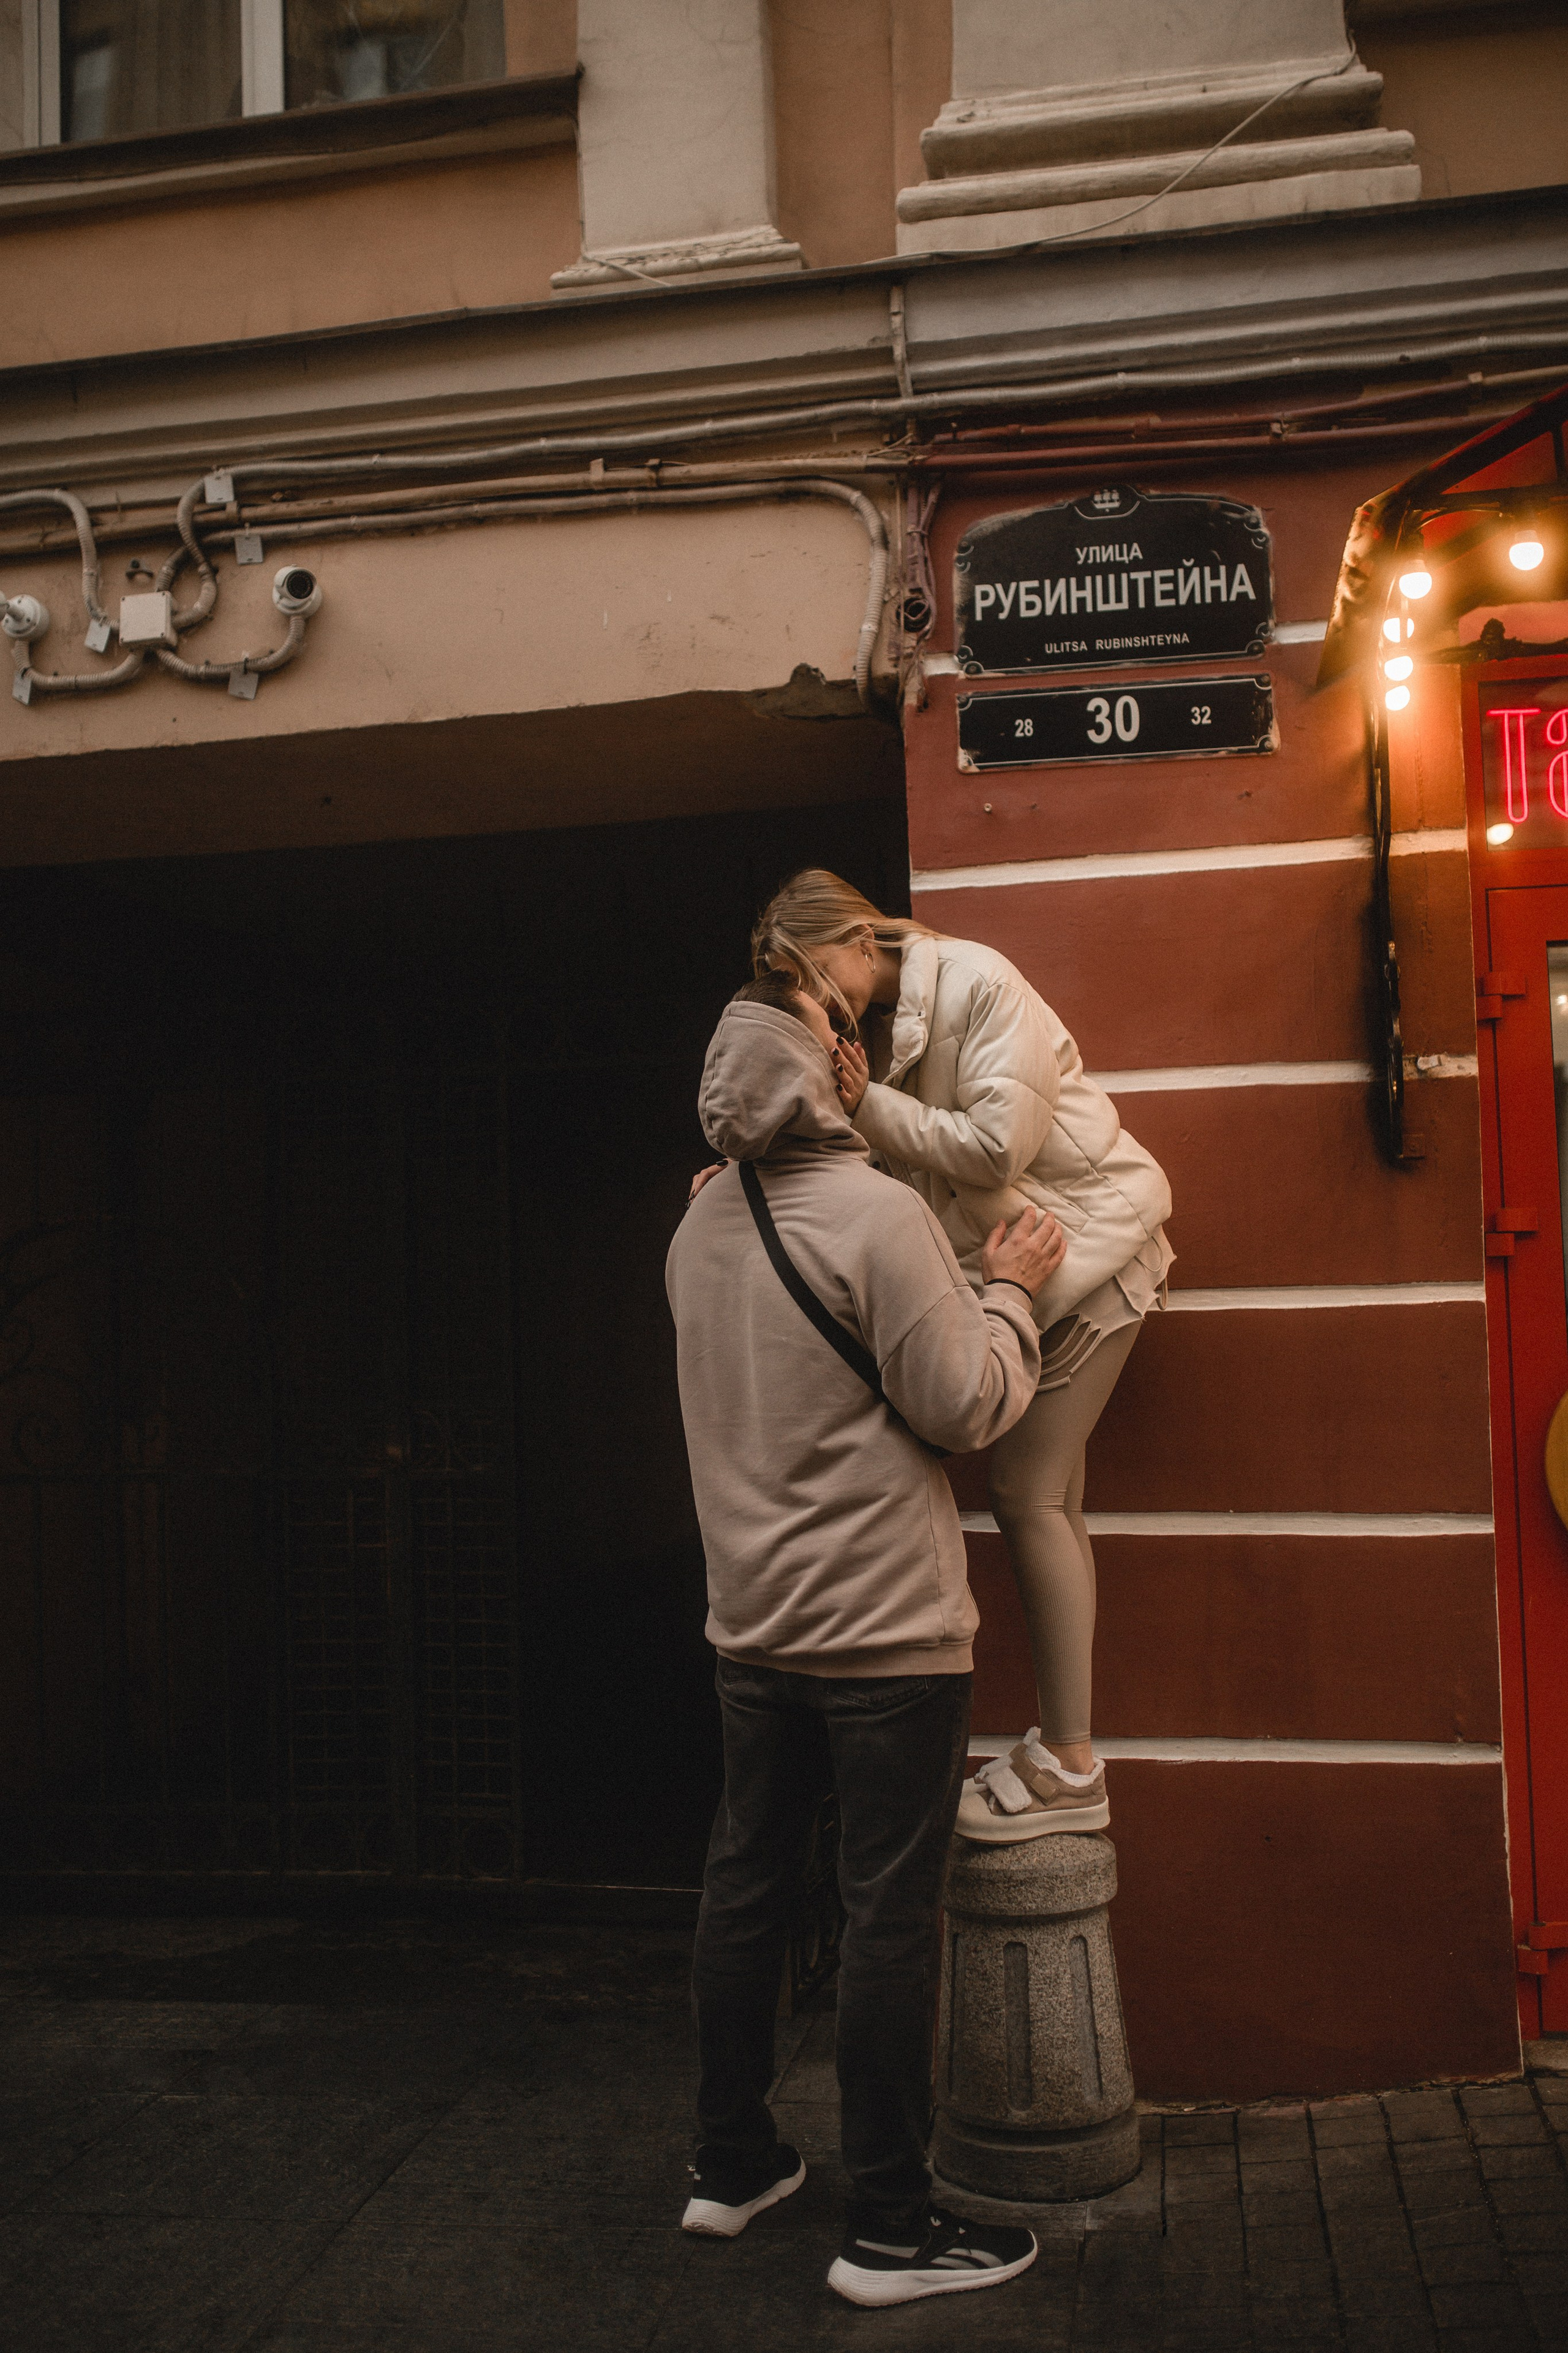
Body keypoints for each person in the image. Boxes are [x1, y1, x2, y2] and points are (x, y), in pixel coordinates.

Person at [666, 971, 1066, 2307]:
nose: (860, 1040)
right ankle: (890, 2226)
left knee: (745, 1888)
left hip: (753, 1629)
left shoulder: (695, 1224)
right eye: (841, 1029)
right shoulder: (881, 1215)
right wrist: (1006, 1291)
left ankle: (730, 2165)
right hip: (887, 1639)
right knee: (886, 1917)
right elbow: (963, 1409)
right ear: (822, 1069)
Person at [748, 871, 1173, 1844]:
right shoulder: (874, 1036)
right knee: (1047, 1501)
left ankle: (1072, 1763)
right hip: (1035, 1272)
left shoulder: (978, 980)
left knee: (1026, 1498)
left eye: (816, 977)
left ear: (862, 940)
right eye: (797, 991)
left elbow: (991, 1149)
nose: (818, 1005)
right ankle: (1066, 1752)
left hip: (1096, 1252)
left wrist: (867, 1111)